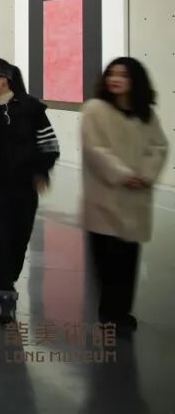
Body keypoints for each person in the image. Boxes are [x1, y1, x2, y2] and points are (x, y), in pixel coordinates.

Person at [0, 57, 60, 324]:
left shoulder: (32, 108)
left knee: (19, 237)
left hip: (25, 186)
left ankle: (9, 278)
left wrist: (41, 171)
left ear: (5, 78)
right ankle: (4, 293)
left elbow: (49, 144)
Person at [81, 57, 168, 332]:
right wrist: (123, 174)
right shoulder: (94, 109)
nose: (115, 79)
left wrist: (146, 174)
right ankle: (108, 313)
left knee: (129, 258)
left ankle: (123, 311)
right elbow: (95, 149)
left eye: (123, 75)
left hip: (136, 197)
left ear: (135, 81)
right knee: (107, 260)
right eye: (112, 74)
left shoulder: (146, 114)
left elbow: (159, 146)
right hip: (104, 197)